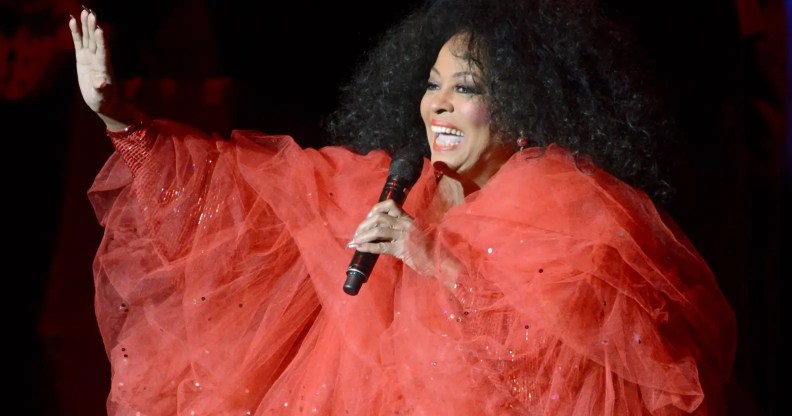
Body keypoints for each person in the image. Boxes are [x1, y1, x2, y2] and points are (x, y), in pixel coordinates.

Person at [68, 0, 738, 414]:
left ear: (524, 107)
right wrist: (123, 120)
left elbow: (572, 375)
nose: (437, 103)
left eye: (466, 87)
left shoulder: (567, 213)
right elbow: (244, 188)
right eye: (431, 84)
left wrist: (434, 259)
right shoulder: (388, 184)